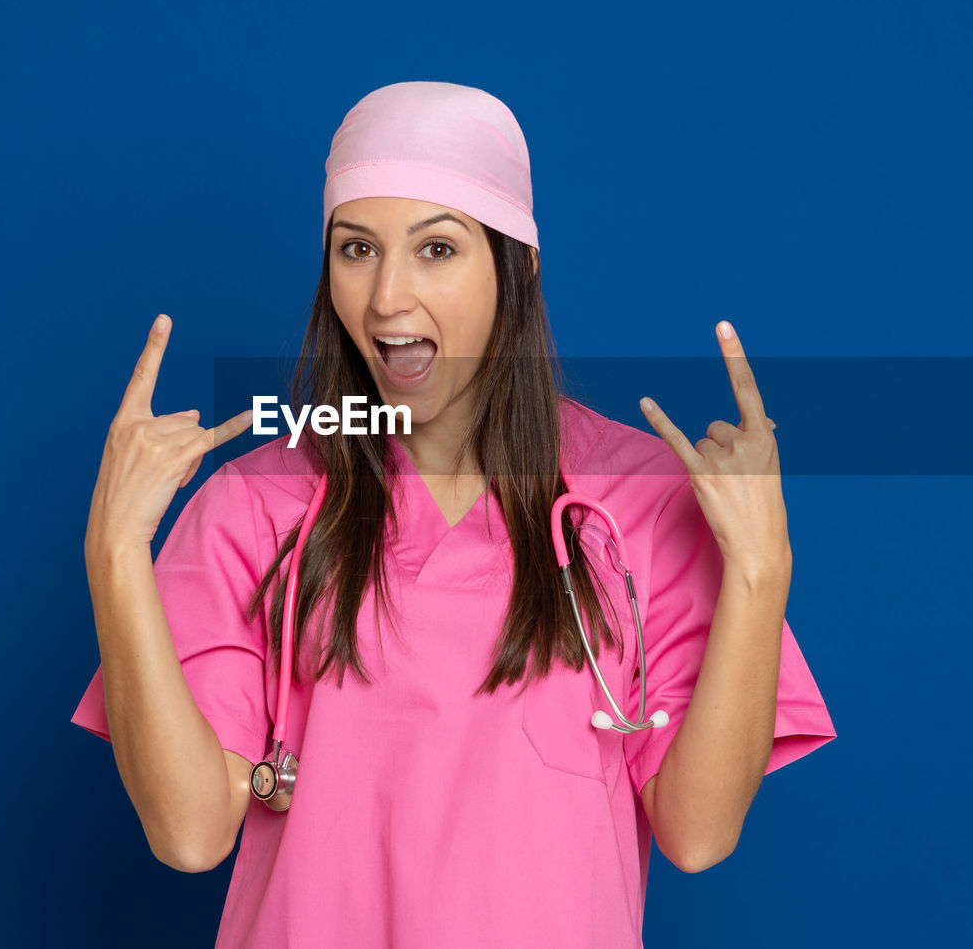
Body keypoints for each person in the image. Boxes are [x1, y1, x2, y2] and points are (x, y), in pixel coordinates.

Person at [69, 81, 837, 947]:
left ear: (519, 266)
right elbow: (188, 831)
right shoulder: (257, 501)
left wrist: (762, 571)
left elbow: (698, 833)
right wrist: (115, 551)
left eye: (436, 248)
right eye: (356, 249)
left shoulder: (640, 500)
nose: (388, 295)